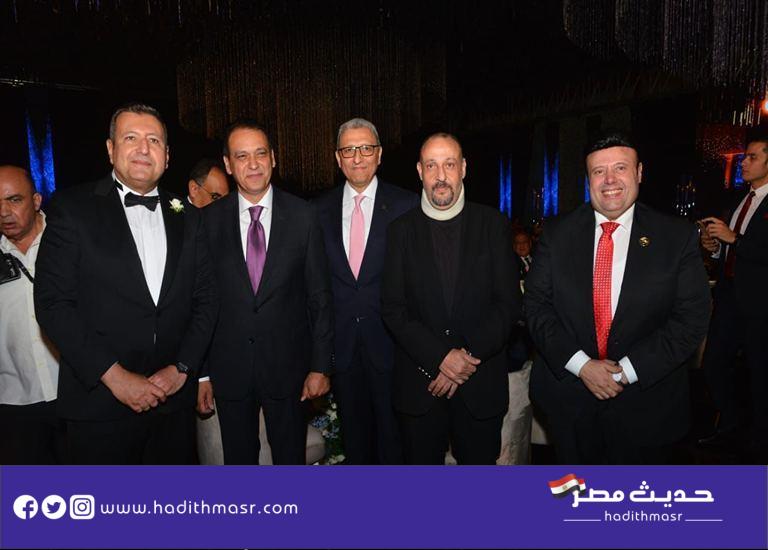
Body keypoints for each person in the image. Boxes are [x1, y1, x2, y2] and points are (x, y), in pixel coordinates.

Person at [34, 103, 218, 464]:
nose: (143, 148)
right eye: (131, 138)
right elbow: (53, 304)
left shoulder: (190, 217)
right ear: (110, 149)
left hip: (172, 406)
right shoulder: (71, 210)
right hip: (99, 406)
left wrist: (182, 368)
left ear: (167, 155)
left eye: (154, 140)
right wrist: (115, 377)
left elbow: (207, 299)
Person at [524, 131, 710, 464]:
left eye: (620, 168)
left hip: (647, 405)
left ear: (639, 172)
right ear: (588, 179)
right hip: (569, 401)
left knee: (634, 496)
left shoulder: (676, 237)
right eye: (599, 171)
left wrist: (624, 371)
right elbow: (536, 307)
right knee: (575, 492)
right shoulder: (556, 234)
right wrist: (582, 366)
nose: (609, 179)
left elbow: (692, 318)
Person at [198, 119, 333, 464]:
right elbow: (200, 302)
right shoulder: (207, 222)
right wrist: (202, 373)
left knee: (290, 462)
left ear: (273, 157)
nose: (253, 164)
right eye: (242, 156)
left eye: (260, 153)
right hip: (230, 371)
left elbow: (319, 296)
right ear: (228, 164)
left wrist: (320, 367)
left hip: (289, 371)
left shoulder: (304, 216)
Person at [381, 132, 520, 465]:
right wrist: (440, 357)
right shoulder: (400, 231)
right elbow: (393, 309)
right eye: (431, 165)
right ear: (419, 171)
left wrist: (464, 357)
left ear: (464, 168)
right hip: (419, 389)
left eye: (449, 164)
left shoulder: (494, 224)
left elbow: (508, 305)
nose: (440, 175)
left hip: (480, 386)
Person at [315, 118, 417, 464]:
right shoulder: (317, 211)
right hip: (342, 350)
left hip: (393, 348)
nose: (357, 157)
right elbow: (315, 287)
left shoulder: (407, 206)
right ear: (337, 158)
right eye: (348, 150)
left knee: (395, 446)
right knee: (355, 447)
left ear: (379, 154)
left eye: (366, 148)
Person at [698, 133, 768, 461]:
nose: (744, 162)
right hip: (729, 299)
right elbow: (732, 247)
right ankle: (731, 424)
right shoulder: (740, 200)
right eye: (745, 156)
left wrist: (734, 239)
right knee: (713, 364)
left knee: (759, 373)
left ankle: (759, 441)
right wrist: (714, 247)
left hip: (760, 304)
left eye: (753, 157)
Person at [0, 166, 63, 464]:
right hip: (14, 402)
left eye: (14, 200)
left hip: (77, 393)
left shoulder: (68, 240)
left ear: (36, 201)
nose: (4, 212)